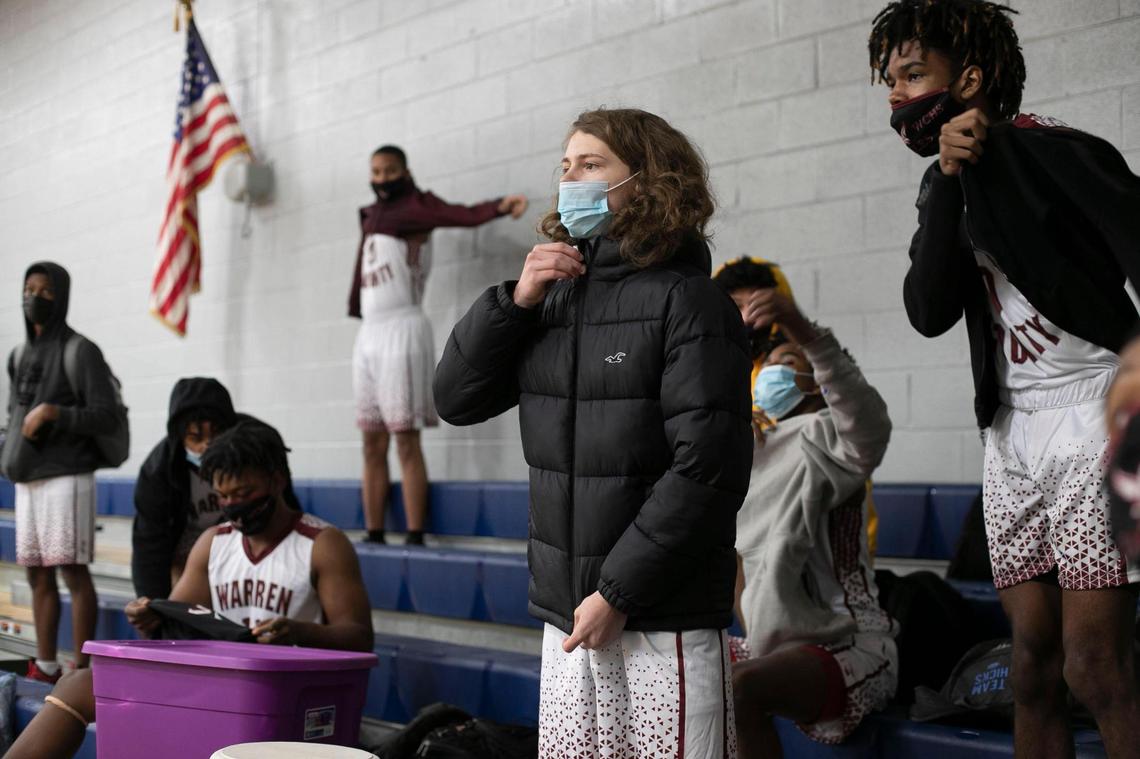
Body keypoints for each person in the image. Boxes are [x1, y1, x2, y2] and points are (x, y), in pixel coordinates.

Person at [434, 108, 752, 757]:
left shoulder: (688, 301)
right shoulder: (550, 298)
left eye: (591, 164)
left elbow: (708, 465)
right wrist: (514, 301)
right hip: (571, 619)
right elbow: (454, 398)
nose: (570, 179)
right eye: (565, 166)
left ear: (649, 179)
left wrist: (619, 590)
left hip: (661, 619)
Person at [870, 2, 1140, 756]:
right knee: (1031, 667)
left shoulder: (1058, 152)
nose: (896, 94)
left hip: (1098, 415)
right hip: (1010, 432)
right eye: (889, 81)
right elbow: (927, 310)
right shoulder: (940, 184)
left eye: (913, 74)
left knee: (1098, 666)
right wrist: (951, 180)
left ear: (974, 78)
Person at [4, 420, 374, 759]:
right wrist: (150, 617)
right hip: (220, 682)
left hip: (285, 691)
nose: (233, 506)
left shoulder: (322, 543)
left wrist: (297, 631)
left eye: (244, 492)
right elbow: (174, 624)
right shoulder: (214, 542)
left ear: (277, 480)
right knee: (78, 682)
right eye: (223, 498)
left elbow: (359, 638)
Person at [727, 286, 896, 755]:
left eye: (788, 359)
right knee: (668, 668)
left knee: (739, 688)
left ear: (817, 379)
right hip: (769, 647)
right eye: (771, 362)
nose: (773, 371)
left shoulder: (834, 440)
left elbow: (865, 418)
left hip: (849, 645)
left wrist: (805, 331)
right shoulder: (746, 446)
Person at [348, 145, 529, 546]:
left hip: (402, 327)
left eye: (388, 170)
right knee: (370, 438)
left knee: (404, 436)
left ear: (404, 171)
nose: (380, 179)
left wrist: (499, 206)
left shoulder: (416, 207)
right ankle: (374, 531)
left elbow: (459, 214)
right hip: (370, 332)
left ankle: (415, 533)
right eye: (375, 171)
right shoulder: (371, 216)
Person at [0, 262, 120, 683]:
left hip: (68, 475)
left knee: (71, 568)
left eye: (46, 290)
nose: (34, 297)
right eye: (28, 288)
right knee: (36, 571)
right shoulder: (18, 355)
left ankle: (83, 671)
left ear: (62, 296)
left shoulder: (80, 350)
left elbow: (106, 415)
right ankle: (46, 664)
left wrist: (55, 413)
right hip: (28, 477)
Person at [131, 377, 300, 599]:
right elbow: (150, 550)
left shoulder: (259, 446)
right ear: (179, 438)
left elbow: (285, 506)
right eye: (196, 437)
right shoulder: (158, 473)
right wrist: (153, 612)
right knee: (180, 602)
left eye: (216, 434)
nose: (207, 445)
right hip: (187, 551)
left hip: (249, 537)